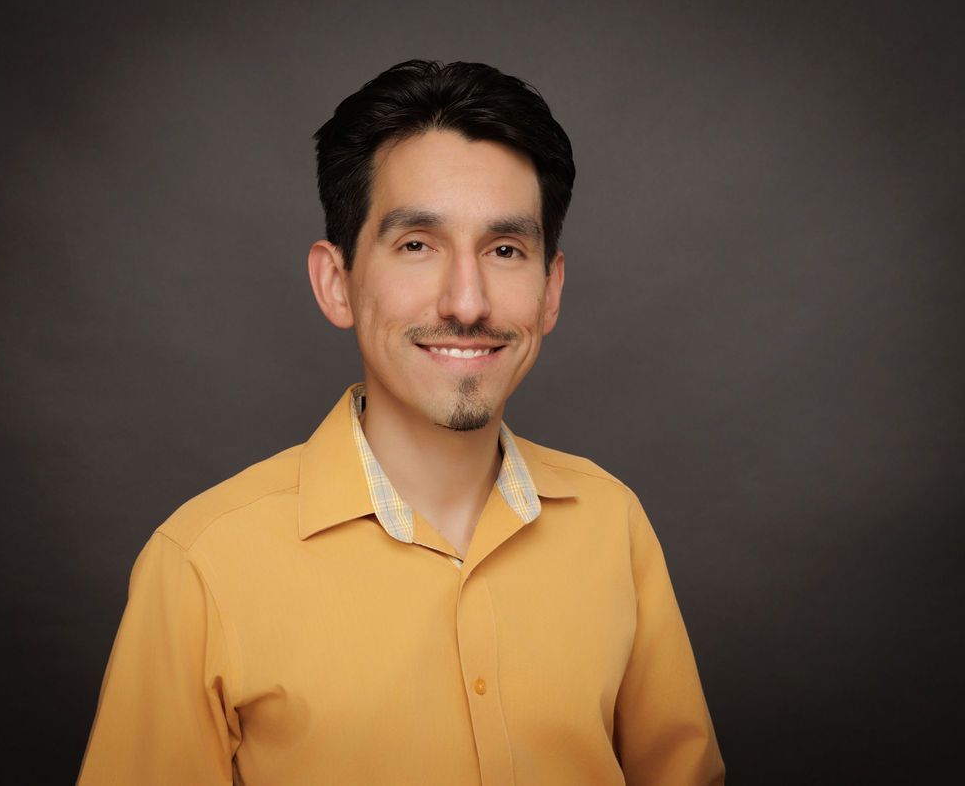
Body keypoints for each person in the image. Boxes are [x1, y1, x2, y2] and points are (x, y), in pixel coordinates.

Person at [78, 59, 725, 785]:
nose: (468, 301)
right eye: (417, 244)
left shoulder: (614, 523)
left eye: (506, 249)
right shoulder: (200, 565)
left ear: (551, 290)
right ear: (336, 281)